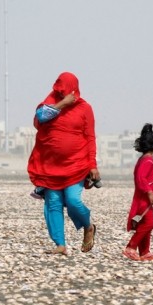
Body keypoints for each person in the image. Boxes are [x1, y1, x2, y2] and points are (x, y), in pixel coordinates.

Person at [27, 72, 99, 256]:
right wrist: (62, 104)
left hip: (76, 164)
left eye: (65, 92)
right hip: (50, 166)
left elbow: (90, 137)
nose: (62, 94)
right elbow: (39, 119)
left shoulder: (85, 108)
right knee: (53, 203)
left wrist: (92, 165)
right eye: (59, 91)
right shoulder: (49, 103)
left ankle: (88, 226)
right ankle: (60, 244)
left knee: (73, 200)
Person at [123, 123, 153, 261]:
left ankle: (144, 251)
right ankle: (131, 247)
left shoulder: (144, 159)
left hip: (143, 198)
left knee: (145, 224)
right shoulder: (148, 161)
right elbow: (141, 178)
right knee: (148, 224)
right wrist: (150, 193)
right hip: (144, 199)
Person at [29, 92, 76, 199]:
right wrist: (63, 103)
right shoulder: (49, 103)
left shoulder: (81, 107)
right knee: (53, 200)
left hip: (69, 159)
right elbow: (41, 116)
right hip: (49, 153)